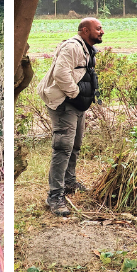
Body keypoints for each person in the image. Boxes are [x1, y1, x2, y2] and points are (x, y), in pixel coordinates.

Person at [37, 17, 101, 217]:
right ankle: (55, 195)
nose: (102, 32)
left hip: (76, 105)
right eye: (98, 29)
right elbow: (60, 74)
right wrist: (76, 95)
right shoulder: (72, 47)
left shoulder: (87, 48)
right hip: (64, 104)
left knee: (75, 144)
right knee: (63, 147)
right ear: (84, 30)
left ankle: (69, 182)